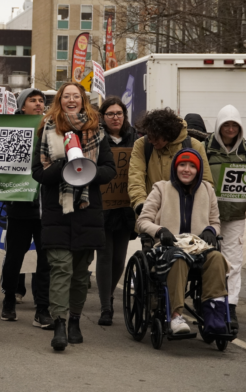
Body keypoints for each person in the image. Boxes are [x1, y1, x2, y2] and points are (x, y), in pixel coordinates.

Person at [31, 82, 116, 351]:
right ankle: (59, 323)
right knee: (61, 269)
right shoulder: (46, 129)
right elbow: (38, 172)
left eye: (75, 96)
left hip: (87, 211)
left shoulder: (97, 130)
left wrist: (87, 171)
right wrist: (62, 167)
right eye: (66, 96)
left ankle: (75, 320)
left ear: (83, 101)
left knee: (80, 275)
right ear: (59, 100)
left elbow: (109, 170)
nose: (71, 100)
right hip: (58, 209)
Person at [137, 149, 229, 335]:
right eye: (182, 165)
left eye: (192, 166)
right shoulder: (161, 188)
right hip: (168, 247)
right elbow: (142, 221)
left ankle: (214, 314)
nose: (187, 169)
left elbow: (215, 221)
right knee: (178, 258)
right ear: (175, 167)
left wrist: (211, 231)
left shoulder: (207, 190)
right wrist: (160, 230)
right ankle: (176, 315)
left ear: (199, 170)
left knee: (217, 258)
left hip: (197, 246)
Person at [0, 88, 52, 330]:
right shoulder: (15, 129)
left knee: (46, 261)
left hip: (47, 207)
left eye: (42, 101)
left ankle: (42, 308)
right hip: (20, 206)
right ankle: (9, 298)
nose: (39, 104)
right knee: (14, 259)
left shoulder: (53, 129)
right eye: (33, 100)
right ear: (22, 108)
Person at [203, 105, 246, 330]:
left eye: (235, 125)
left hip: (235, 215)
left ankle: (230, 306)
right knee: (209, 260)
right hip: (208, 215)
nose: (231, 129)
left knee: (233, 263)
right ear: (219, 126)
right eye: (227, 125)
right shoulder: (206, 148)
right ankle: (210, 303)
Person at [96, 96, 139, 326]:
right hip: (102, 208)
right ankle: (105, 306)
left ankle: (110, 293)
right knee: (104, 256)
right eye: (110, 114)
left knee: (119, 260)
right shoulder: (97, 138)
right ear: (103, 117)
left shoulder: (136, 139)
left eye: (119, 113)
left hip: (125, 209)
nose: (115, 117)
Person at [128, 108, 213, 220]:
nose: (150, 140)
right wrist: (140, 203)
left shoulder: (194, 145)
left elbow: (206, 183)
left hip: (185, 217)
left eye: (155, 137)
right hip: (151, 216)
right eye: (149, 135)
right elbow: (135, 177)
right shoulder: (142, 145)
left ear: (168, 134)